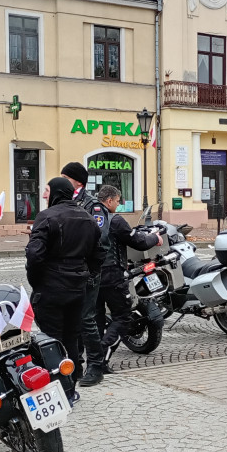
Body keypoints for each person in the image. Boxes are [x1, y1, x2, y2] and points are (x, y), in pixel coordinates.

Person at [25, 177, 102, 401]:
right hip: (77, 288)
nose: (44, 195)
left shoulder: (46, 216)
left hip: (51, 287)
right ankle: (69, 389)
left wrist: (37, 280)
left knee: (50, 340)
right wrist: (86, 275)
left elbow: (34, 254)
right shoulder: (87, 217)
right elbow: (98, 254)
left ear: (57, 192)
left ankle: (53, 390)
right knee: (71, 338)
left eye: (47, 190)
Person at [81, 185, 162, 387]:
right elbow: (137, 241)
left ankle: (96, 363)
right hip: (113, 276)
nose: (118, 204)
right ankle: (101, 356)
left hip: (92, 276)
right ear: (109, 201)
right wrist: (155, 237)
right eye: (117, 201)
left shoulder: (88, 216)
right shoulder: (114, 220)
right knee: (123, 317)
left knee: (97, 319)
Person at [61, 161, 111, 382]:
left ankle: (96, 366)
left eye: (66, 177)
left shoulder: (93, 205)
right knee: (73, 318)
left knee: (86, 318)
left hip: (88, 270)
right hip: (70, 270)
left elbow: (100, 238)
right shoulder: (66, 201)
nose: (62, 180)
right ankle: (77, 364)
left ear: (78, 181)